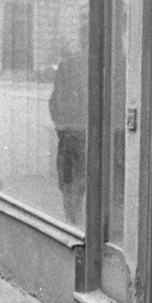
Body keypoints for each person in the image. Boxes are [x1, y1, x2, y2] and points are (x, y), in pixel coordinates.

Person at [48, 25, 89, 225]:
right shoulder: (116, 63)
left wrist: (64, 129)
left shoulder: (69, 65)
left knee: (70, 190)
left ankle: (74, 228)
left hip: (71, 136)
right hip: (80, 136)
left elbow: (55, 103)